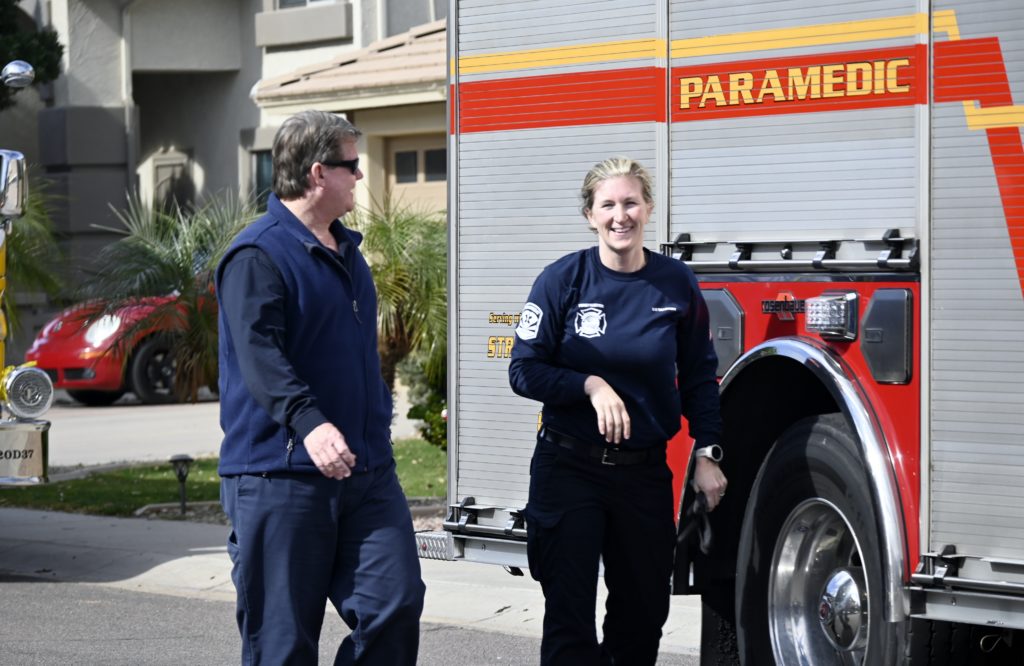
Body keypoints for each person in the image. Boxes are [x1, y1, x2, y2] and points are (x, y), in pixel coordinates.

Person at [215, 110, 425, 665]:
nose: (360, 174)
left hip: (366, 472)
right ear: (316, 173)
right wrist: (310, 423)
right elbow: (261, 358)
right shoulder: (256, 256)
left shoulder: (347, 251)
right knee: (282, 645)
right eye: (350, 165)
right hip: (280, 476)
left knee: (395, 605)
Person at [508, 156, 728, 664]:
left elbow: (700, 375)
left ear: (648, 208)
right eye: (607, 205)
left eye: (630, 202)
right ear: (590, 215)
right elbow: (523, 370)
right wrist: (589, 385)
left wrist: (708, 451)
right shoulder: (562, 280)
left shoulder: (676, 283)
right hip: (569, 470)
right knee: (570, 621)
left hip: (643, 475)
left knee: (642, 619)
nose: (620, 215)